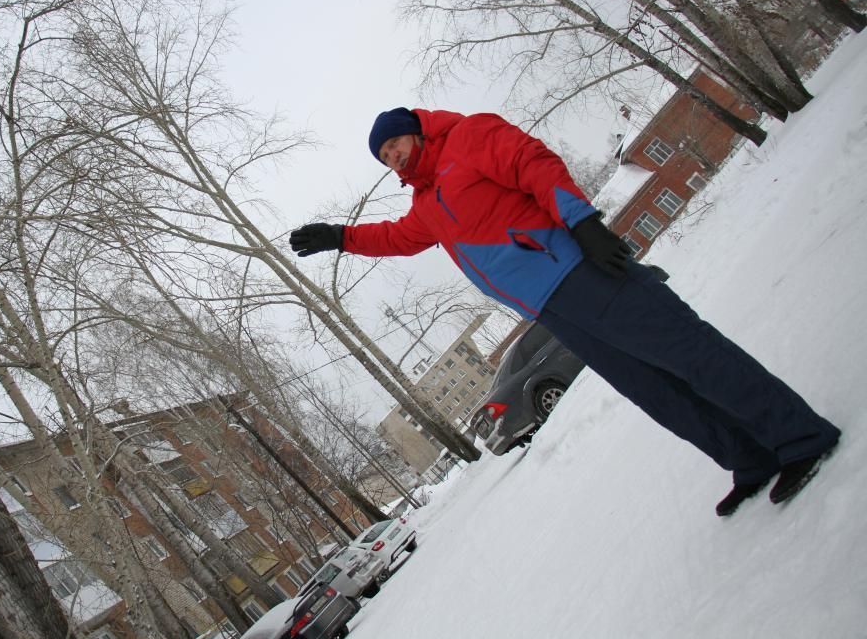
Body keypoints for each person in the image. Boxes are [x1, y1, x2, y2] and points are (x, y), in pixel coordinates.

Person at [289, 107, 840, 517]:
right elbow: (399, 238)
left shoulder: (470, 136)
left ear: (414, 128)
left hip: (580, 269)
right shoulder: (426, 202)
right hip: (552, 308)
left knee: (690, 354)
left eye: (394, 146)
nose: (394, 159)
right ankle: (748, 458)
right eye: (384, 159)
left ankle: (799, 437)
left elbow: (534, 164)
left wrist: (582, 222)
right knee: (655, 391)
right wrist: (343, 236)